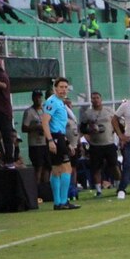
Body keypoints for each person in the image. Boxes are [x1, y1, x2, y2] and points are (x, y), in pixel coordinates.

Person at [39, 77, 80, 210]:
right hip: (55, 137)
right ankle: (63, 201)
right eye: (61, 87)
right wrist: (50, 140)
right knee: (66, 168)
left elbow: (58, 125)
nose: (63, 90)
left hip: (59, 137)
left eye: (65, 87)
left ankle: (58, 202)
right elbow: (45, 122)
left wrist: (66, 142)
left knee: (56, 170)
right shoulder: (52, 102)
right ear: (55, 88)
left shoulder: (60, 102)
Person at [80, 91, 120, 197]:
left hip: (109, 142)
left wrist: (119, 135)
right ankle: (98, 190)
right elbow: (82, 128)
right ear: (91, 100)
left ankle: (119, 186)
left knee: (114, 165)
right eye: (93, 98)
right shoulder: (88, 113)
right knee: (96, 168)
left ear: (101, 99)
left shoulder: (109, 111)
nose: (95, 100)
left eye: (97, 98)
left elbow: (117, 124)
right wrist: (90, 130)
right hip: (95, 144)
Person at [22, 89, 50, 184]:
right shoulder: (29, 112)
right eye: (36, 97)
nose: (38, 99)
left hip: (45, 142)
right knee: (38, 167)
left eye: (40, 97)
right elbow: (24, 128)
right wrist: (36, 127)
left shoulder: (44, 110)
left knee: (47, 166)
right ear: (33, 98)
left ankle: (45, 187)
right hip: (35, 144)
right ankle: (36, 188)